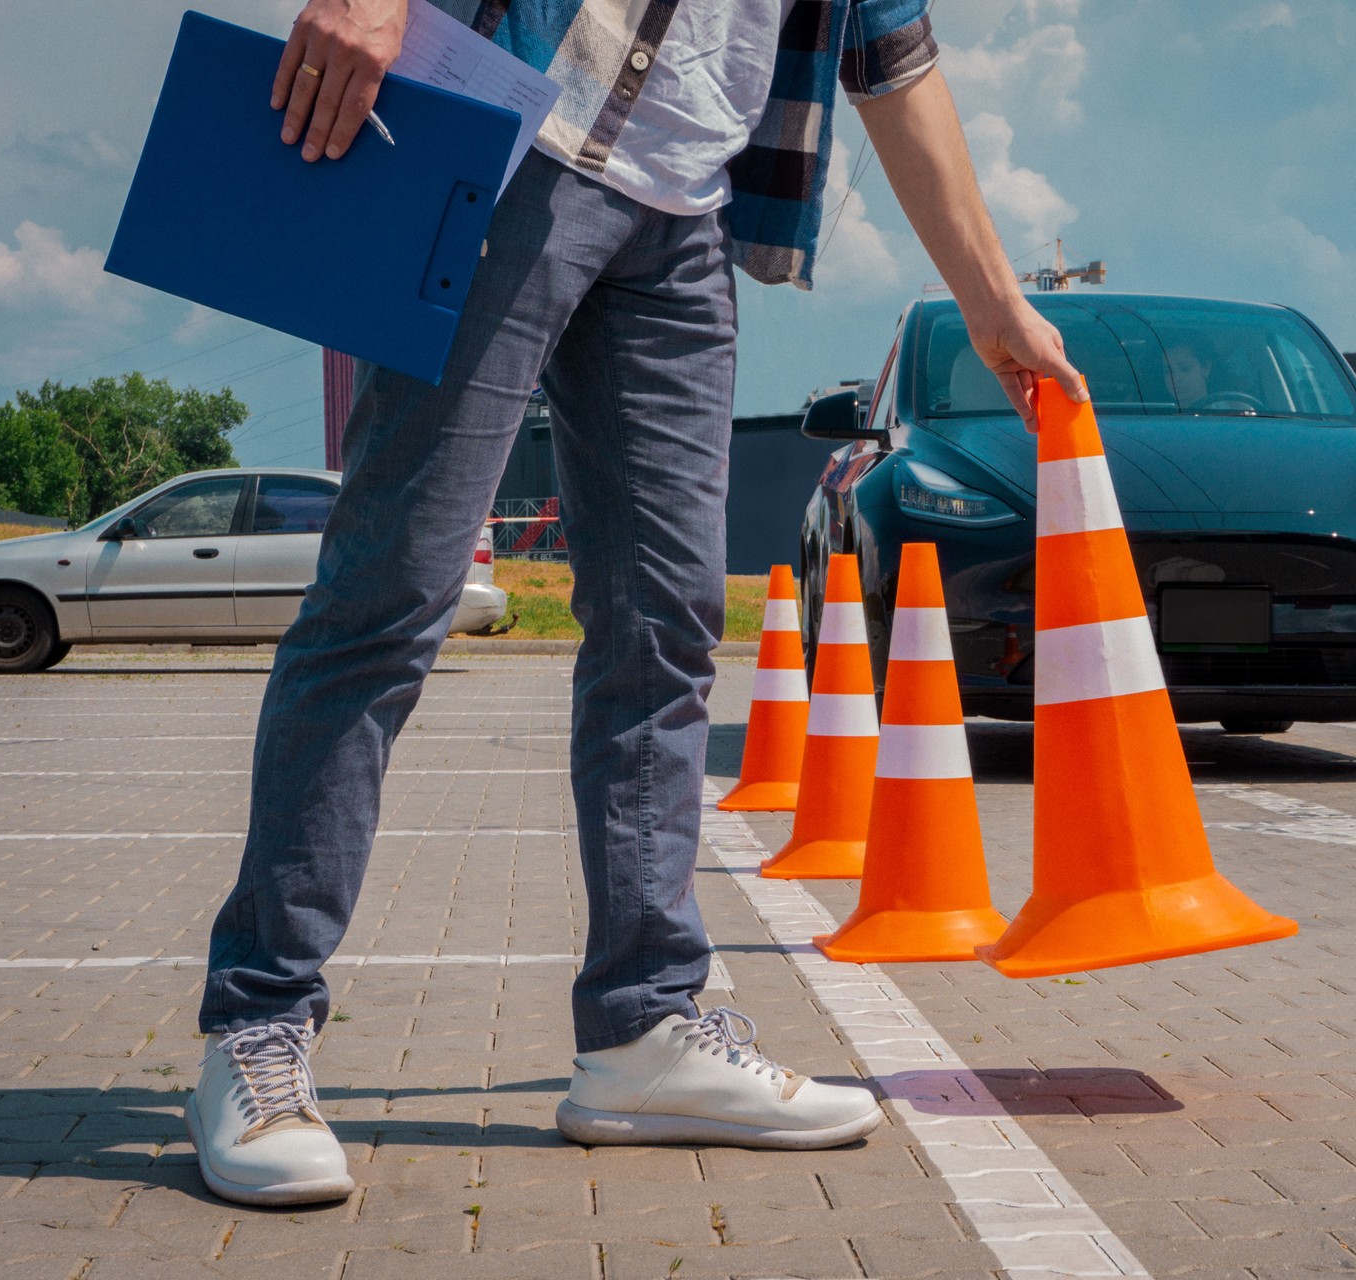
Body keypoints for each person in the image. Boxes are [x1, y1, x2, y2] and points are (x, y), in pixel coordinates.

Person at [185, 0, 1085, 1208]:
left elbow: (892, 57)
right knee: (390, 596)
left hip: (686, 212)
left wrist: (989, 302)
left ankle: (642, 1028)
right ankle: (258, 1020)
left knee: (664, 629)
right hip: (515, 147)